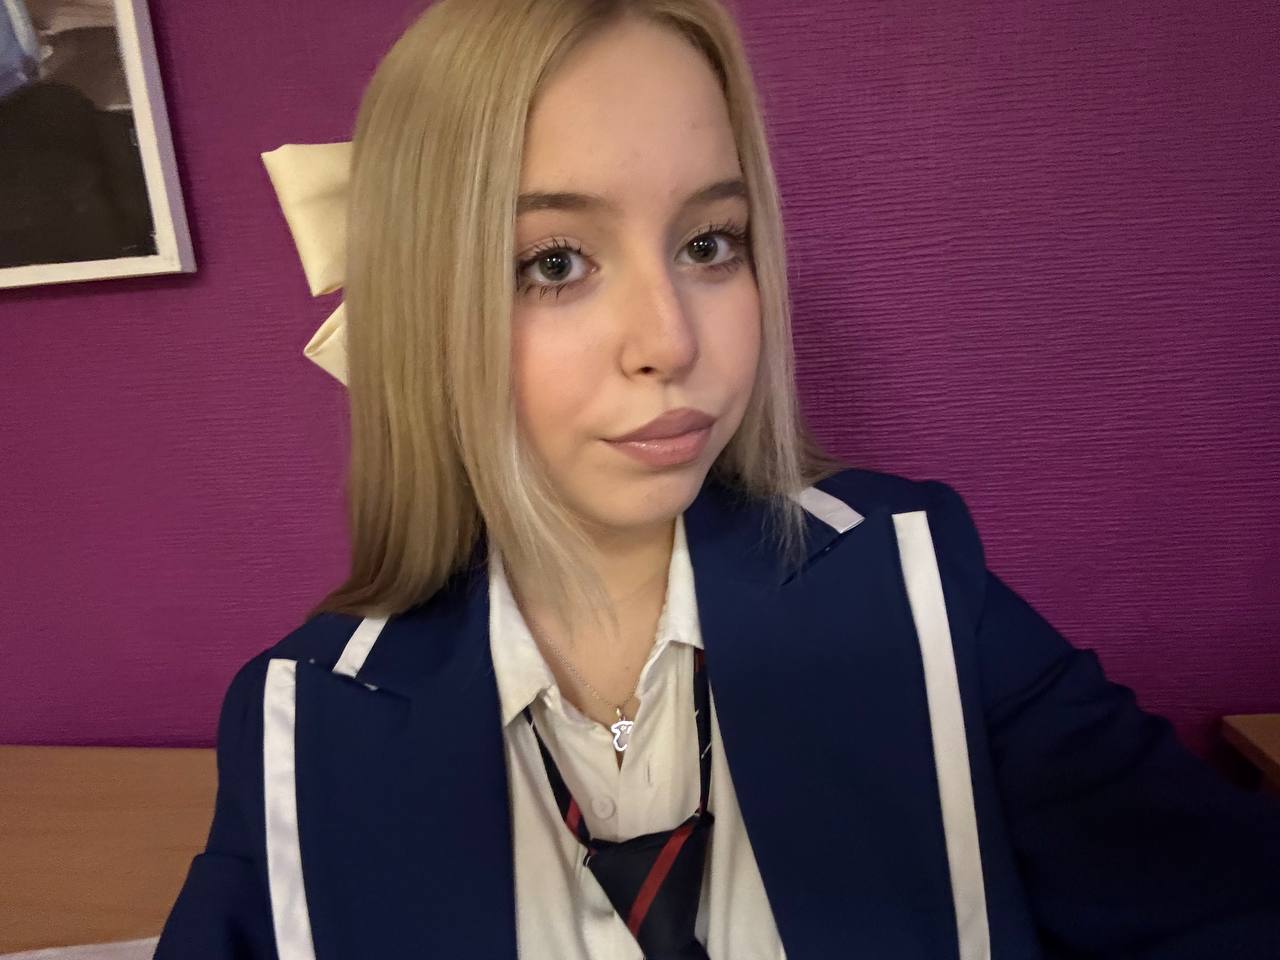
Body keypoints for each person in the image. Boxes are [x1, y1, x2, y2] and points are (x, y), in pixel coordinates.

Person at [154, 1, 1280, 957]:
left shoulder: (916, 590)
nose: (671, 341)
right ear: (425, 306)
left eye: (708, 243)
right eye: (554, 261)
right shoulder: (306, 717)